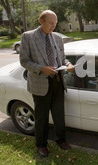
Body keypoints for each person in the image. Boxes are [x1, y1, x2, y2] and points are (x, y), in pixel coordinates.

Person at [19, 10, 74, 157]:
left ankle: (61, 140)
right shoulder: (28, 37)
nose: (53, 26)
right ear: (41, 21)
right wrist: (42, 69)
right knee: (41, 117)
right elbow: (24, 61)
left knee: (59, 115)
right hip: (40, 84)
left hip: (57, 81)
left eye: (55, 23)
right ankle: (41, 145)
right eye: (50, 23)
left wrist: (68, 64)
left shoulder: (57, 38)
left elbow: (62, 58)